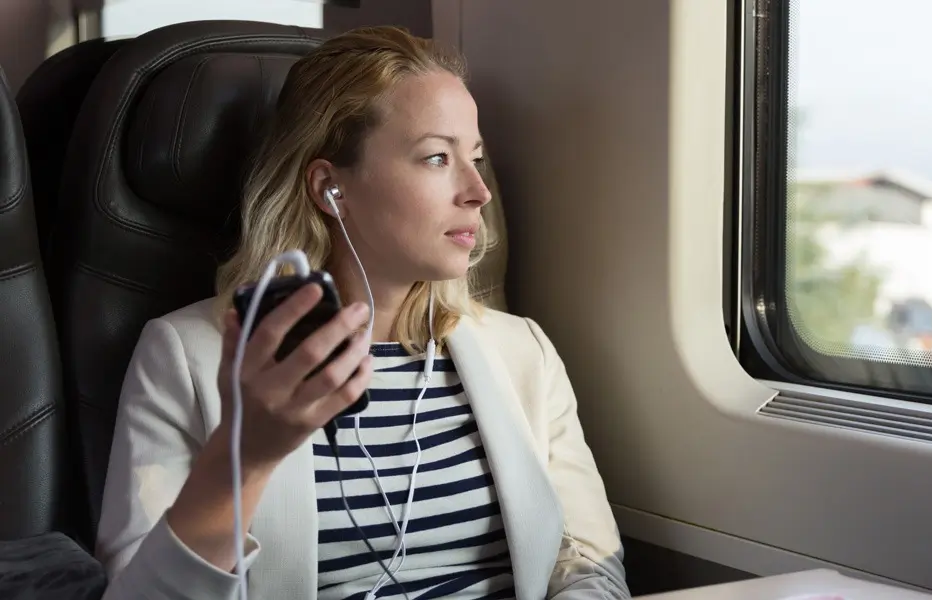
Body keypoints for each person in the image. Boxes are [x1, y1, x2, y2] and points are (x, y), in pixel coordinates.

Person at [94, 25, 629, 600]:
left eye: (475, 157)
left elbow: (588, 566)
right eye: (436, 157)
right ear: (330, 188)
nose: (479, 190)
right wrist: (245, 457)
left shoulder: (522, 350)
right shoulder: (186, 355)